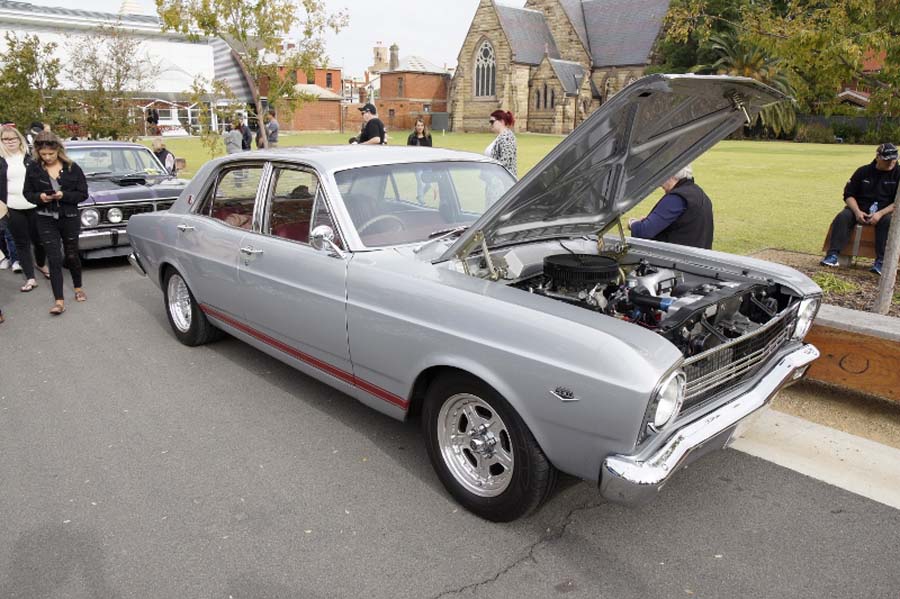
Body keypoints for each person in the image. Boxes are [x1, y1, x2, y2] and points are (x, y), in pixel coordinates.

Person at [23, 131, 89, 315]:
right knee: (53, 258)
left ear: (58, 150)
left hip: (69, 217)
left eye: (50, 154)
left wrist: (64, 195)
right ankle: (59, 300)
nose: (47, 157)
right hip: (45, 217)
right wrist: (40, 197)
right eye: (43, 154)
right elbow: (27, 194)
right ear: (38, 152)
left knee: (71, 254)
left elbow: (83, 194)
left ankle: (78, 287)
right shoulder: (33, 168)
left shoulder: (72, 167)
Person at [821, 142, 898, 275]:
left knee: (888, 222)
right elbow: (848, 195)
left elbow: (898, 202)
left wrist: (879, 214)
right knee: (843, 216)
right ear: (878, 157)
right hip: (860, 208)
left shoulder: (898, 173)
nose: (891, 162)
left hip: (886, 211)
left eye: (894, 159)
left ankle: (881, 261)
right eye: (888, 160)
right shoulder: (863, 171)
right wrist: (857, 212)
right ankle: (832, 255)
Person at [1, 125, 48, 292]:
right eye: (5, 139)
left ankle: (41, 264)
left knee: (40, 240)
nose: (10, 142)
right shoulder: (1, 161)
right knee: (22, 244)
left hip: (34, 205)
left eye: (12, 138)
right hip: (12, 208)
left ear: (19, 139)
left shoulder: (30, 158)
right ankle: (30, 277)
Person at [628, 164, 714, 250]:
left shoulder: (676, 198)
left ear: (671, 175)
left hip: (676, 260)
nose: (660, 184)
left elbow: (643, 231)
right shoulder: (699, 194)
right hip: (695, 258)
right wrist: (651, 221)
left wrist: (633, 223)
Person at [486, 110, 517, 176]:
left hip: (503, 182)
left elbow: (505, 165)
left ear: (502, 121)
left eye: (492, 122)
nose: (490, 125)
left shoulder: (507, 137)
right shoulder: (500, 137)